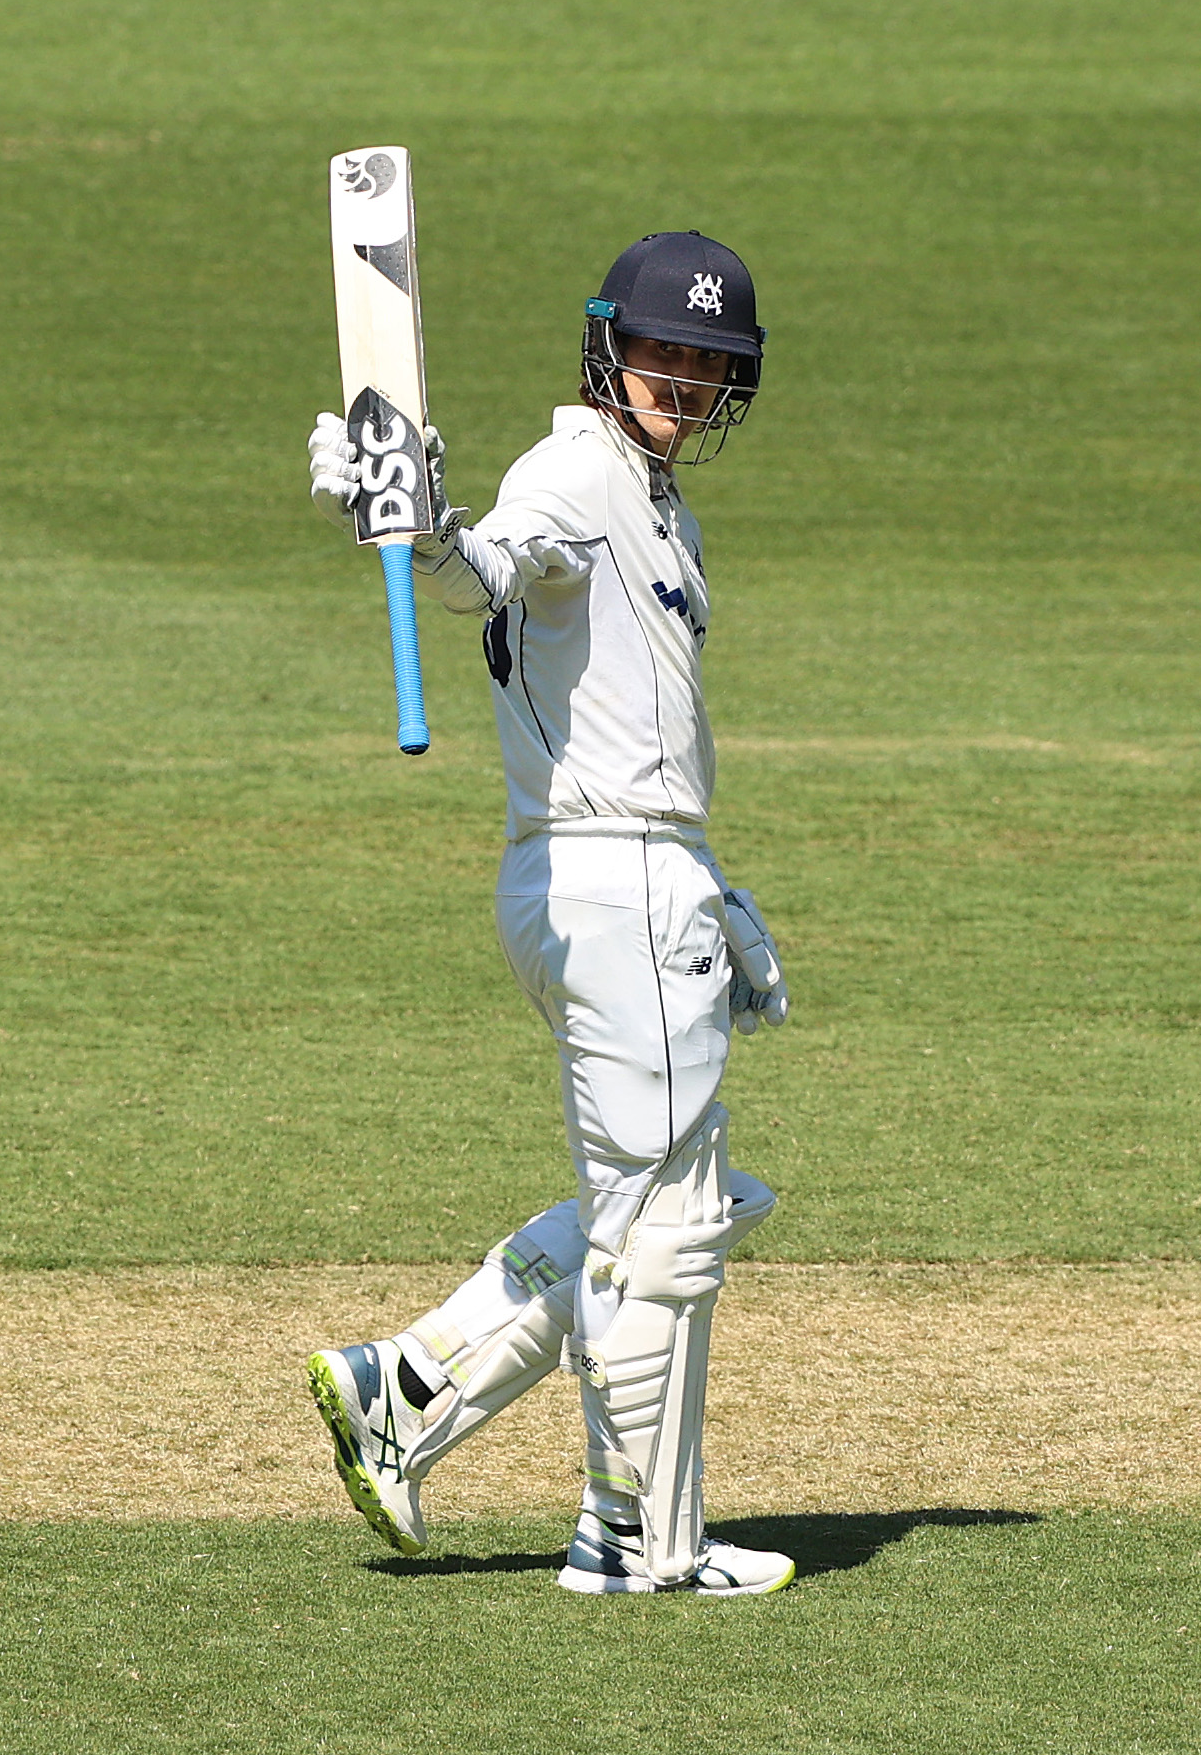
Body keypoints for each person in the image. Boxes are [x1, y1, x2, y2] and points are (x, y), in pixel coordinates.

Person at [304, 230, 793, 1596]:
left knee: (669, 1202)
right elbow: (489, 565)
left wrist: (704, 888)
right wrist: (413, 521)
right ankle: (636, 1540)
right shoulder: (575, 473)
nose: (682, 379)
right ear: (607, 346)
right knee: (662, 1234)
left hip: (623, 874)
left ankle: (408, 1384)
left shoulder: (656, 501)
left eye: (708, 361)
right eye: (662, 351)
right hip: (607, 879)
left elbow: (630, 719)